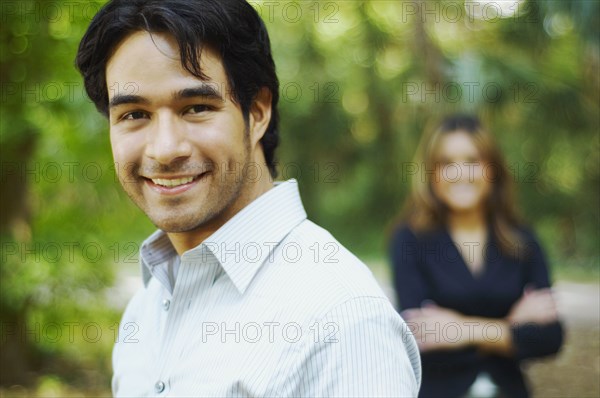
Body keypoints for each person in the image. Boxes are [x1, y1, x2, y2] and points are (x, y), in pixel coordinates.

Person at [76, 0, 420, 396]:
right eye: (134, 114)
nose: (164, 149)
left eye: (197, 108)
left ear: (257, 113)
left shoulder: (340, 319)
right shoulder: (147, 307)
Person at [390, 114, 563, 397]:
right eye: (446, 163)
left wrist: (459, 329)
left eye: (472, 161)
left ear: (492, 168)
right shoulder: (410, 240)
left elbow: (549, 338)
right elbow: (421, 334)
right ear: (431, 173)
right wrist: (510, 328)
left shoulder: (523, 241)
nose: (460, 174)